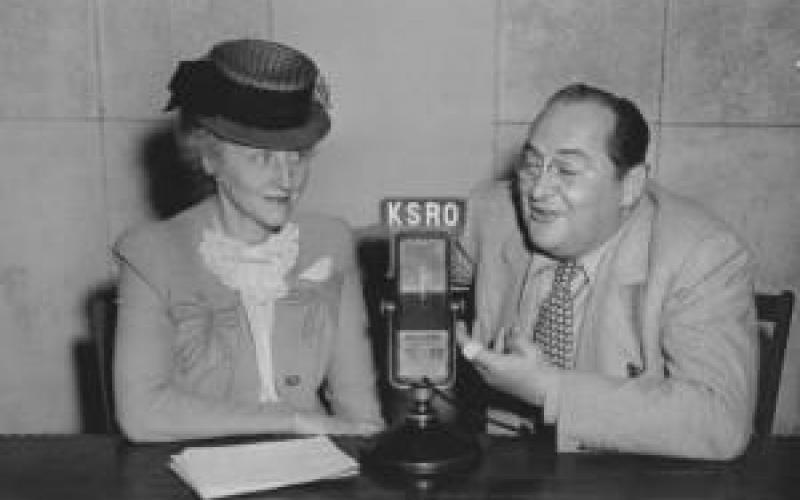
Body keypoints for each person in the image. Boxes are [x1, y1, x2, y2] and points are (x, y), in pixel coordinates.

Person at [456, 83, 758, 460]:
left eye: (566, 170)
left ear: (629, 186)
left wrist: (551, 389)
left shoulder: (700, 253)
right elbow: (419, 264)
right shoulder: (492, 213)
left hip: (628, 482)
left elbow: (720, 420)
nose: (537, 192)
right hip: (505, 474)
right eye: (532, 165)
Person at [113, 38, 385, 442]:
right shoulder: (151, 254)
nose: (286, 179)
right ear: (209, 159)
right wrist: (291, 421)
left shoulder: (332, 242)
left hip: (312, 474)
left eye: (298, 155)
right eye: (261, 158)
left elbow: (359, 408)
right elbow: (141, 414)